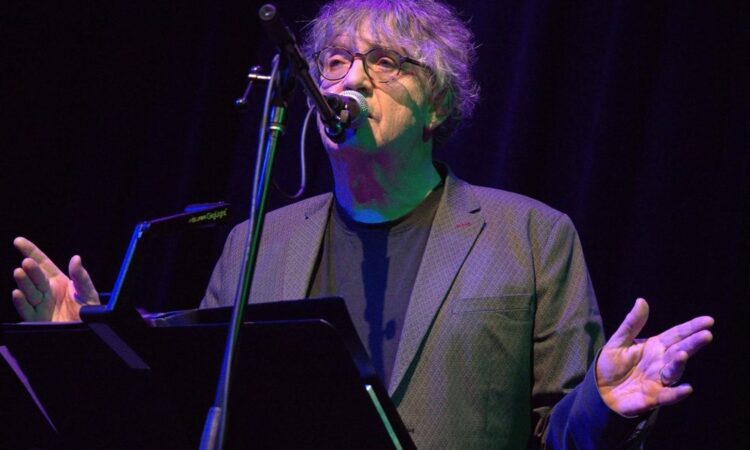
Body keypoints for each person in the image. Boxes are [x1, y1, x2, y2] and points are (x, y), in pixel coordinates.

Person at [12, 0, 714, 448]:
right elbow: (193, 416)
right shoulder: (258, 244)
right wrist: (86, 350)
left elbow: (557, 436)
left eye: (384, 61)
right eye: (336, 61)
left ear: (437, 105)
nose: (348, 78)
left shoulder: (530, 237)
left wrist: (605, 404)